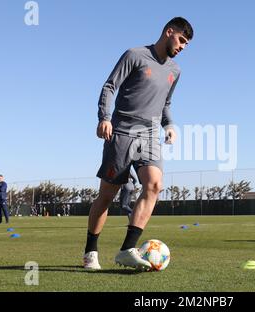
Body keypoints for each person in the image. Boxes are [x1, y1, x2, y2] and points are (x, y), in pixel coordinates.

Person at [83, 17, 193, 270]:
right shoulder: (135, 55)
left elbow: (165, 104)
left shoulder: (175, 71)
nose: (183, 47)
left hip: (149, 135)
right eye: (182, 40)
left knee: (154, 184)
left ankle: (127, 249)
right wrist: (105, 118)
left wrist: (169, 125)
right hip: (121, 132)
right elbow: (110, 86)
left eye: (187, 44)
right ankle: (90, 251)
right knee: (107, 197)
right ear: (169, 32)